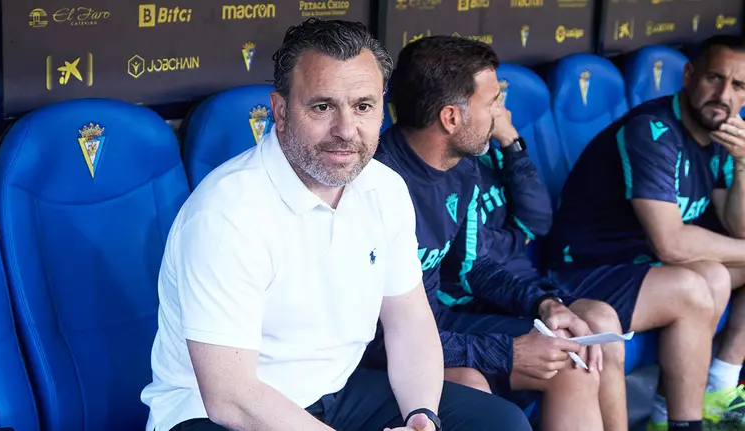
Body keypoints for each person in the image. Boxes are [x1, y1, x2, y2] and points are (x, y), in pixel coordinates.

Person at [140, 18, 532, 431]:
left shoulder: (384, 188)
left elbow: (409, 322)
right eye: (322, 107)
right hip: (216, 415)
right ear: (280, 111)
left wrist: (421, 416)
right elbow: (231, 397)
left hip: (335, 393)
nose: (346, 130)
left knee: (499, 422)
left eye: (363, 106)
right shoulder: (227, 213)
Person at [367, 35, 624, 431]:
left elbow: (473, 266)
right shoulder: (373, 187)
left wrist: (544, 304)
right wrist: (507, 352)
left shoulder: (463, 167)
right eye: (491, 104)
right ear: (451, 118)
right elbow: (376, 338)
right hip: (387, 348)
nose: (499, 115)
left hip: (439, 326)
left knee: (572, 360)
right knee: (473, 388)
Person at [544, 35, 745, 431]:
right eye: (714, 78)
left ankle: (708, 394)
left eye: (738, 85)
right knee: (694, 287)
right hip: (584, 268)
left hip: (640, 267)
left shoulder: (724, 134)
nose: (723, 95)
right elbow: (671, 244)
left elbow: (737, 225)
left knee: (715, 274)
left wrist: (742, 164)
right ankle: (684, 423)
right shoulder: (652, 130)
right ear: (689, 76)